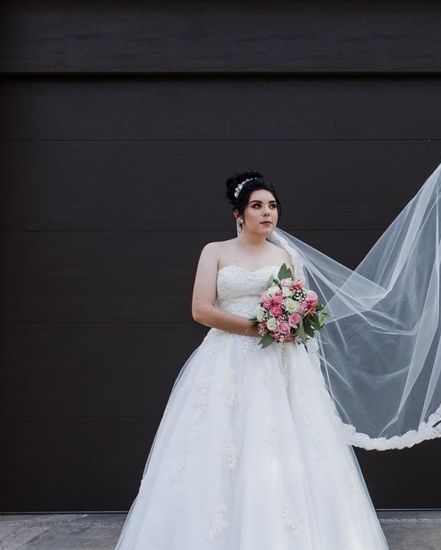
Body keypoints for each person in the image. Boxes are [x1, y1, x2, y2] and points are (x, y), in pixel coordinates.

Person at [115, 172, 388, 549]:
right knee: (217, 448)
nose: (267, 213)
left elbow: (300, 311)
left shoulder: (286, 256)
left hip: (279, 365)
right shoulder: (215, 251)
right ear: (238, 215)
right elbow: (201, 310)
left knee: (285, 448)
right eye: (257, 206)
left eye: (272, 206)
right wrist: (258, 328)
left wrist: (291, 323)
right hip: (225, 361)